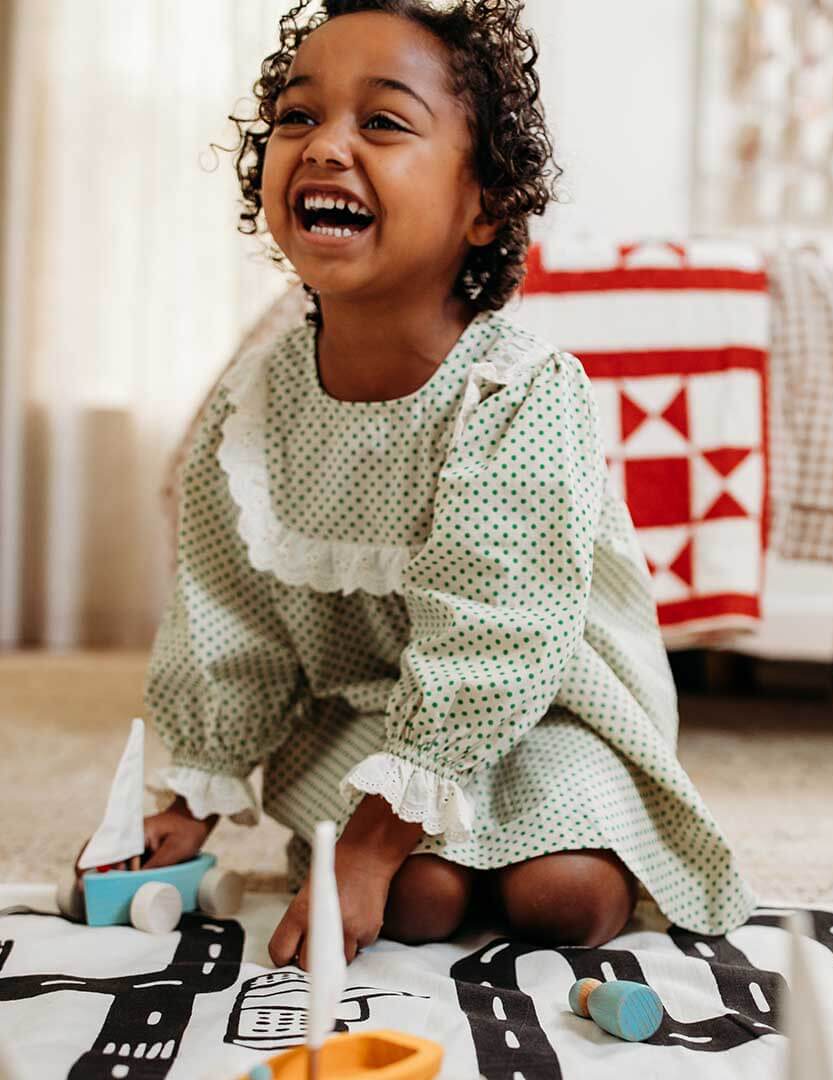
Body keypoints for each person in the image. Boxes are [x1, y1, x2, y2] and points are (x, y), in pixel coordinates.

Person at [140, 0, 754, 969]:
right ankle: (420, 852)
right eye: (298, 117)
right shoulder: (252, 411)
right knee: (421, 898)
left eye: (381, 122)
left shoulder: (523, 393)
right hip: (364, 716)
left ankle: (463, 840)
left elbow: (499, 639)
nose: (326, 147)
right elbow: (230, 624)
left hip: (550, 707)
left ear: (484, 206)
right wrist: (188, 798)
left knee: (567, 894)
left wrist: (376, 843)